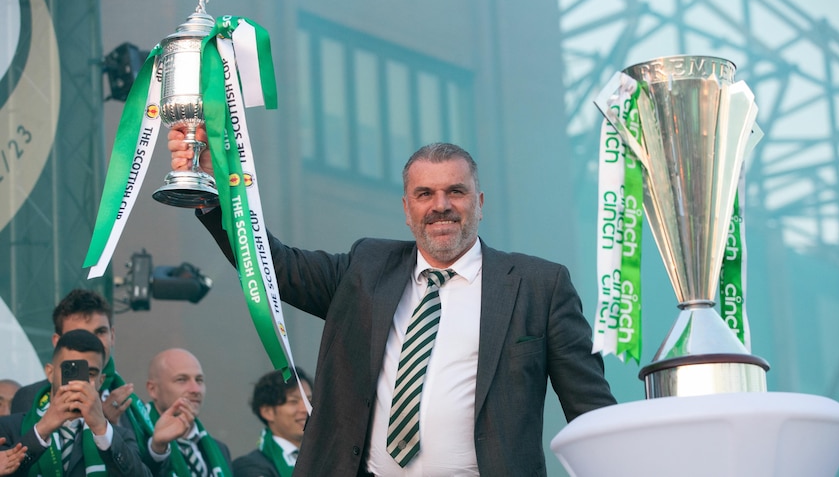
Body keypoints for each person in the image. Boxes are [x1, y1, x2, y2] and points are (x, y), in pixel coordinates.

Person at [170, 127, 617, 476]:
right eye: (425, 194)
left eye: (455, 192)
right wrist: (213, 191)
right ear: (407, 209)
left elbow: (590, 408)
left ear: (479, 203)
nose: (440, 205)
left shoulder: (539, 285)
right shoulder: (366, 269)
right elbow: (275, 266)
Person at [0, 329, 151, 476]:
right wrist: (42, 429)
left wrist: (101, 428)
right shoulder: (8, 428)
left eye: (90, 374)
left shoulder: (117, 436)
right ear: (50, 373)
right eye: (70, 371)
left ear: (101, 381)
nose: (79, 382)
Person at [11, 290, 138, 429]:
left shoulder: (130, 403)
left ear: (112, 336)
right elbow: (23, 447)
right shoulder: (29, 398)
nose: (92, 342)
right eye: (79, 335)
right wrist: (101, 423)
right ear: (57, 342)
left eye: (100, 332)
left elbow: (139, 450)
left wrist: (157, 448)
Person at [142, 348, 231, 477]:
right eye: (181, 380)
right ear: (153, 389)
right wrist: (157, 449)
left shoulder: (219, 450)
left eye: (199, 380)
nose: (195, 389)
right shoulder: (136, 437)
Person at [232, 368, 313, 477]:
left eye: (310, 400)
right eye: (293, 401)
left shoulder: (330, 456)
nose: (306, 409)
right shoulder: (249, 467)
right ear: (267, 412)